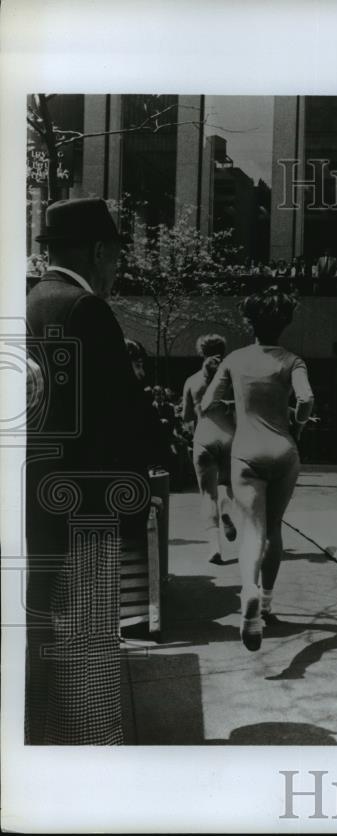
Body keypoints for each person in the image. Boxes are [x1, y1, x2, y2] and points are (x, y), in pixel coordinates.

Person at [25, 198, 164, 743]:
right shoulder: (85, 309)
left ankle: (53, 747)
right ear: (100, 250)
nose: (116, 271)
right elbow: (120, 414)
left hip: (42, 504)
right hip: (86, 508)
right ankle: (94, 760)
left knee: (49, 643)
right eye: (116, 257)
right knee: (88, 644)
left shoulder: (34, 301)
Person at [202, 288, 314, 652]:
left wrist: (233, 410)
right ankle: (266, 602)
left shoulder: (234, 359)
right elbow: (307, 398)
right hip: (284, 450)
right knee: (275, 528)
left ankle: (247, 592)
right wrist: (298, 422)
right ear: (284, 325)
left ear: (250, 323)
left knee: (253, 529)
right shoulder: (293, 360)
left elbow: (206, 406)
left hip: (247, 451)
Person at [182, 333, 237, 565]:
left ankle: (214, 547)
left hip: (204, 438)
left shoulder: (192, 381)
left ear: (200, 353)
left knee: (208, 495)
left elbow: (185, 417)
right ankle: (228, 511)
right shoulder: (232, 380)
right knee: (231, 487)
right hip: (230, 438)